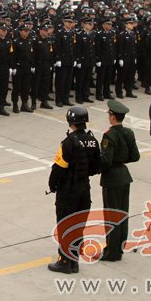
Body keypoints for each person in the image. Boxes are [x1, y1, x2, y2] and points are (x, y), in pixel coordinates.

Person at [47, 105, 100, 274]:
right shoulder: (93, 141)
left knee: (65, 225)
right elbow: (96, 167)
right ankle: (74, 261)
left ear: (71, 121)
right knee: (78, 226)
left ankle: (64, 261)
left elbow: (58, 168)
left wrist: (52, 185)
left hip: (68, 190)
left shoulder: (69, 143)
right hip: (84, 189)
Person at [99, 100, 141, 262]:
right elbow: (135, 156)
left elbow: (106, 161)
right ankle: (119, 248)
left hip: (112, 178)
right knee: (123, 214)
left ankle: (111, 252)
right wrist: (121, 159)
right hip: (124, 175)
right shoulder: (128, 133)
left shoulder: (109, 135)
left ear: (113, 117)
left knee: (112, 216)